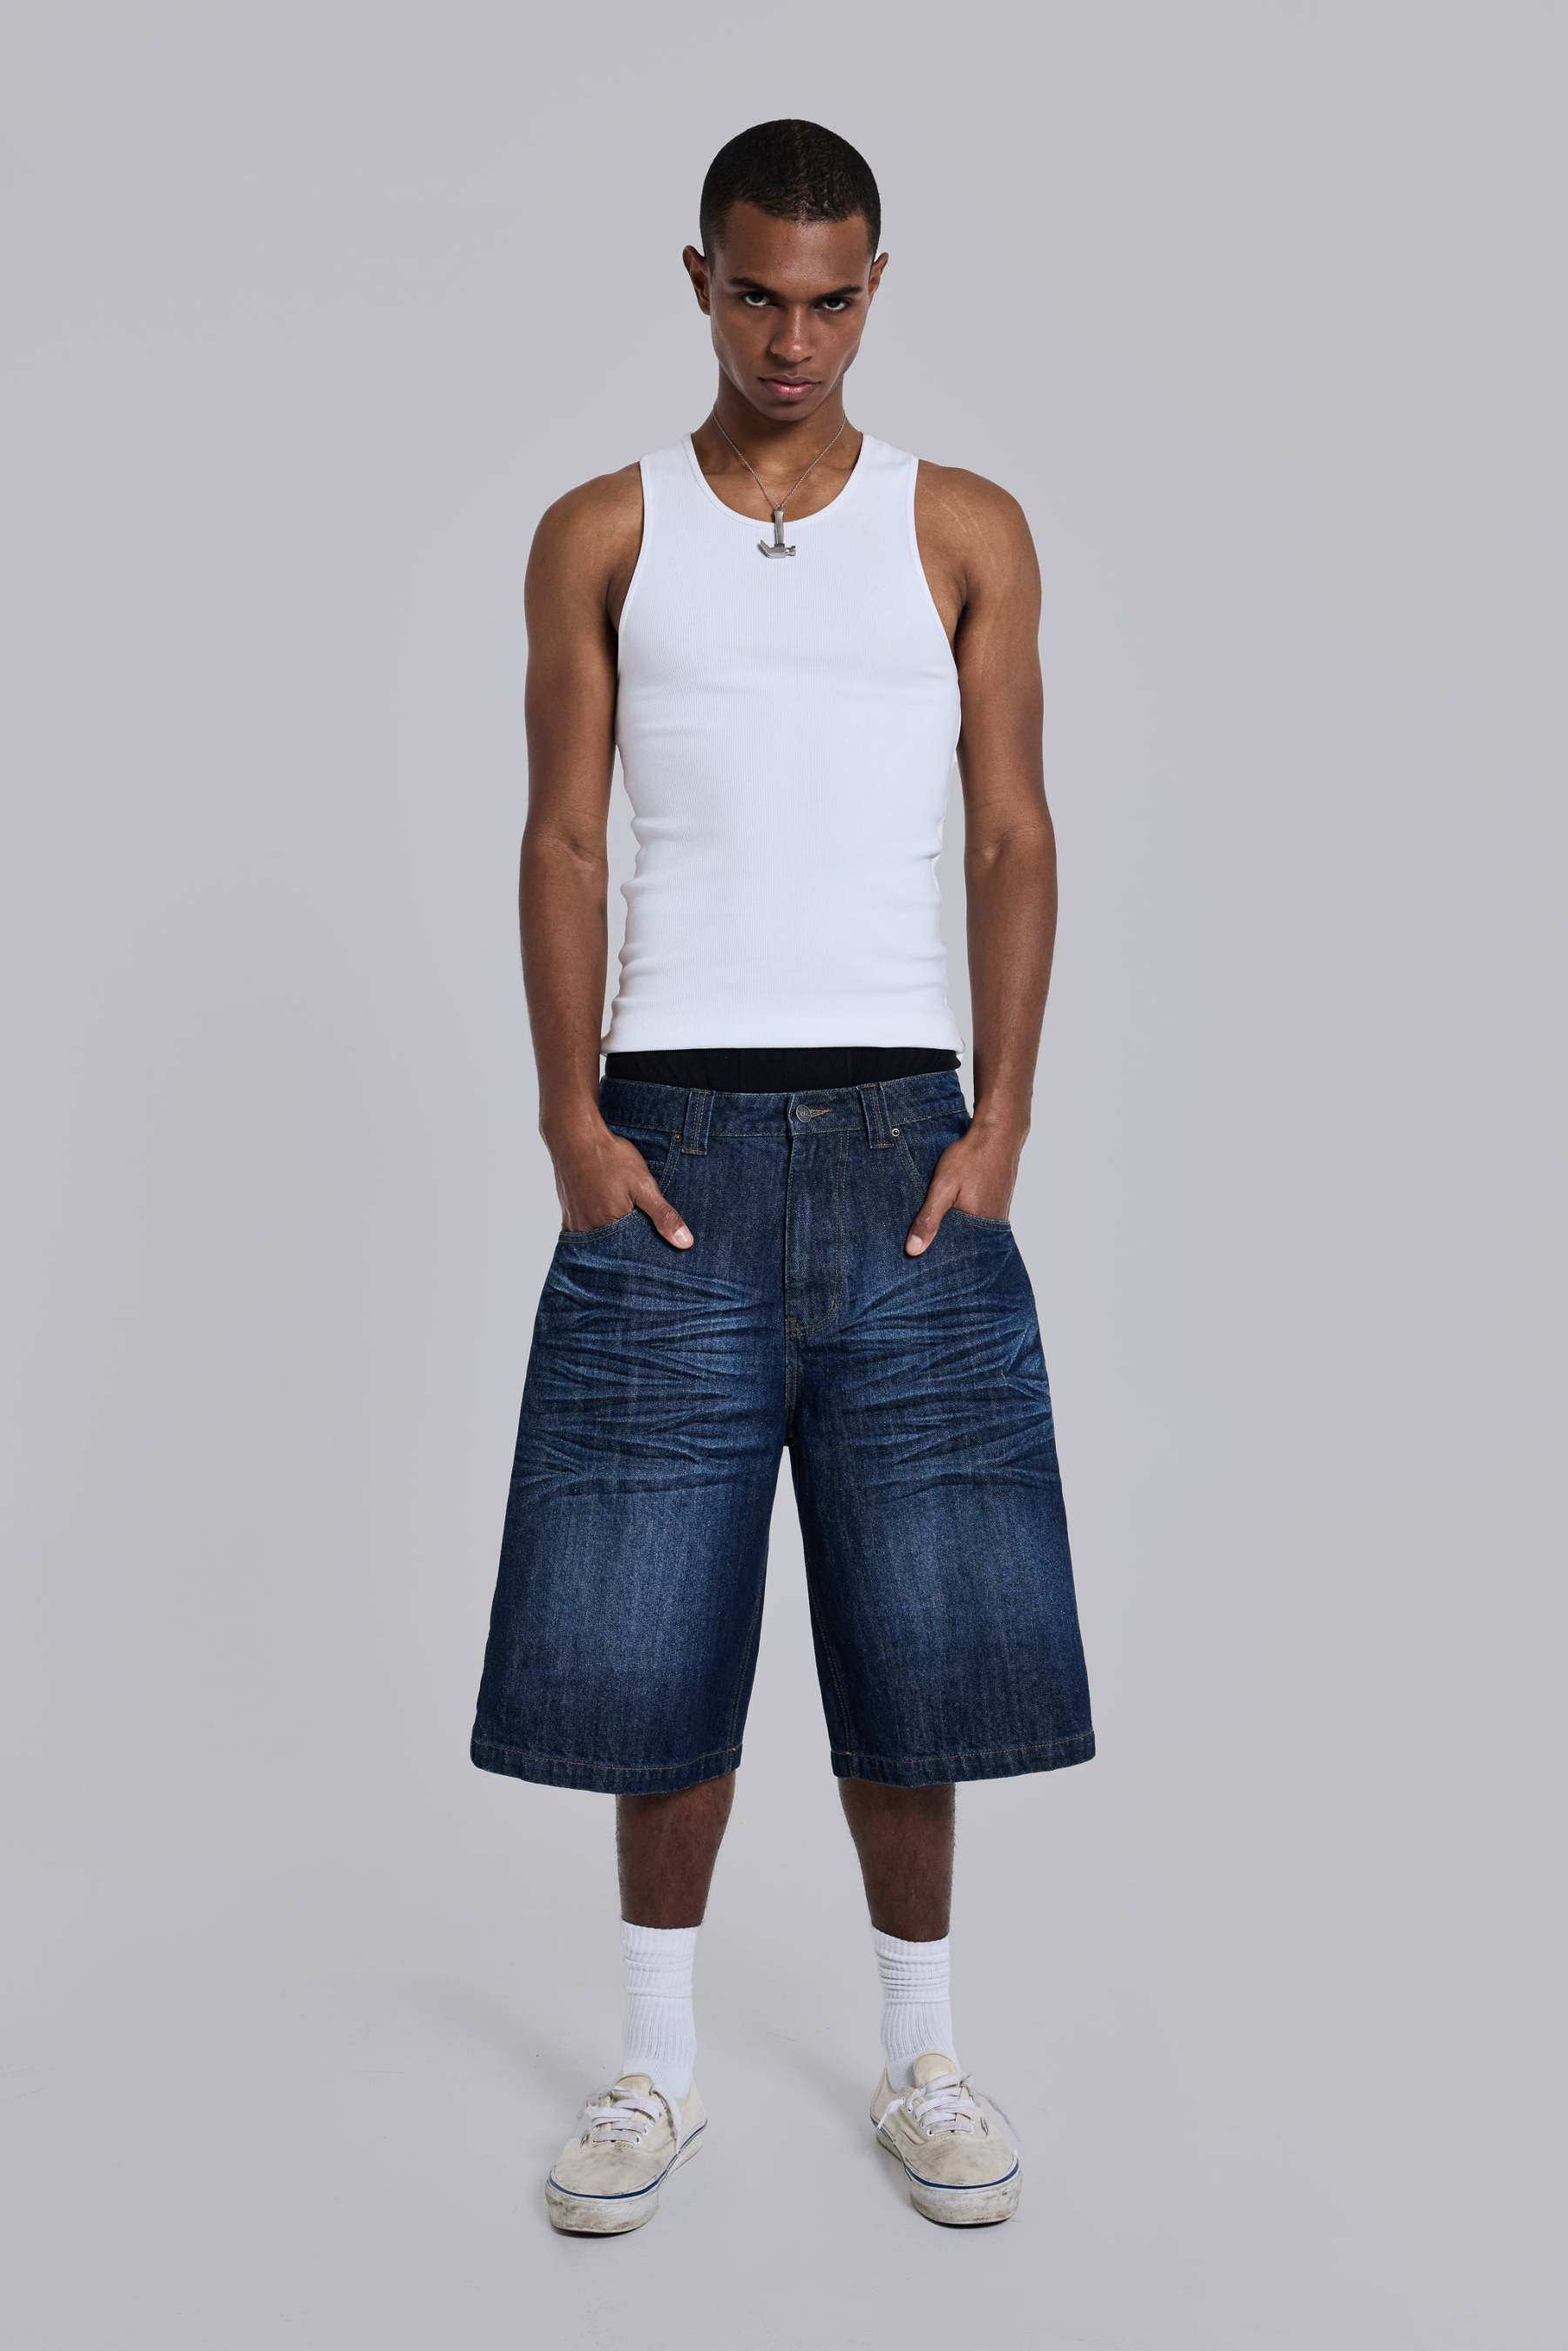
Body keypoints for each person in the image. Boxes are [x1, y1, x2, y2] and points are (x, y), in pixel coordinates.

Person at [470, 117, 1096, 2235]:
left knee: (922, 1623)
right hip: (672, 1146)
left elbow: (1010, 830)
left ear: (875, 289)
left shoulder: (961, 525)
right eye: (758, 294)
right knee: (649, 1626)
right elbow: (566, 836)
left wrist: (1004, 1120)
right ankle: (656, 2066)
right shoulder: (603, 529)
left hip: (909, 1140)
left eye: (831, 300)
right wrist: (571, 1122)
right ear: (700, 281)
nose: (794, 338)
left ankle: (923, 2052)